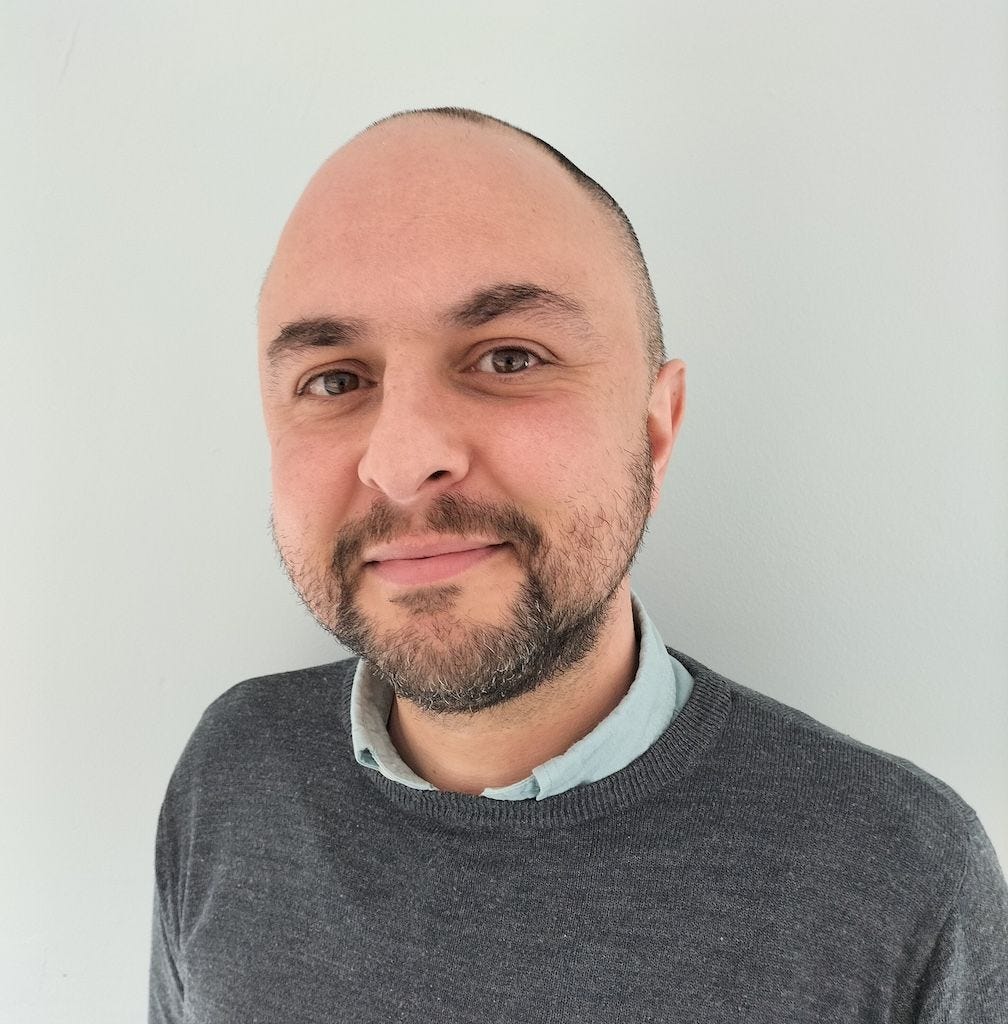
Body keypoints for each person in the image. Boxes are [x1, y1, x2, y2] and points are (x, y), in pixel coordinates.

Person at [149, 107, 1008, 1023]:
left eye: (508, 357)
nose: (400, 462)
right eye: (334, 380)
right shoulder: (232, 771)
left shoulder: (898, 875)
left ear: (656, 427)